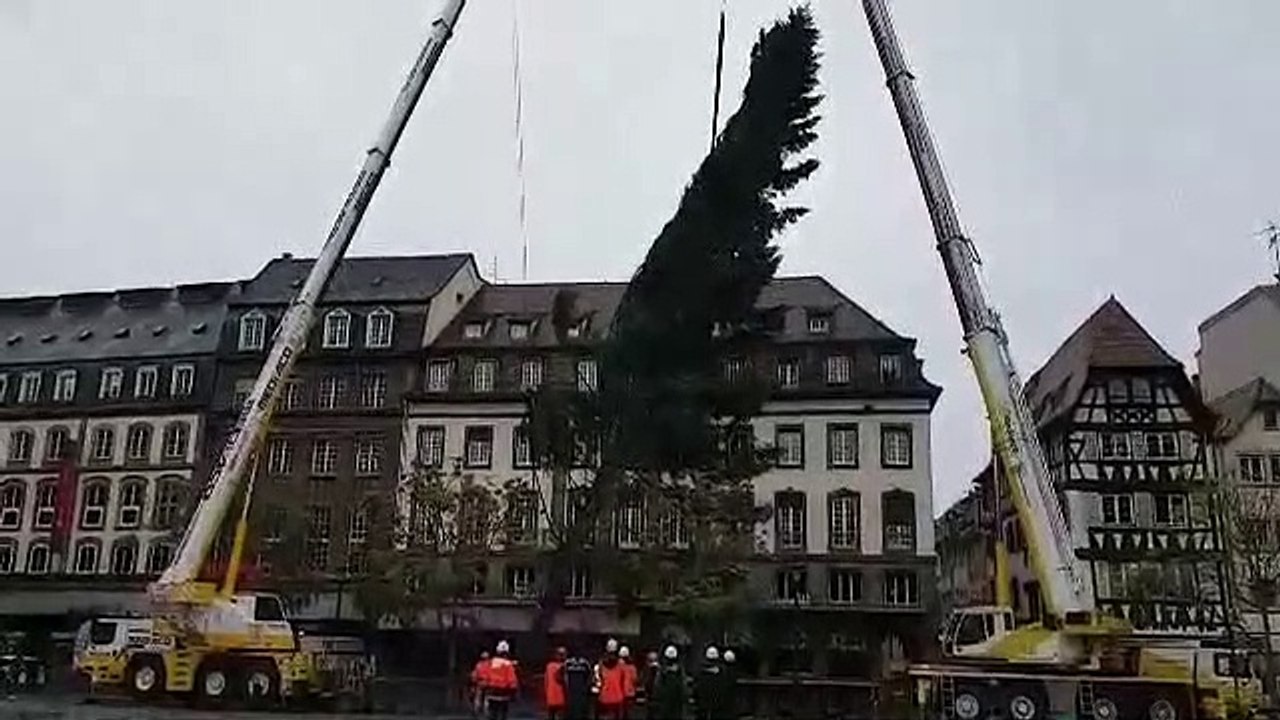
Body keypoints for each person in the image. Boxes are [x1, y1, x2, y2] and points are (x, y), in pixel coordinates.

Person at [486, 640, 519, 720]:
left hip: (491, 691)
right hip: (504, 692)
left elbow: (486, 675)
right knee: (503, 714)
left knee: (492, 713)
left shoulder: (491, 662)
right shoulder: (508, 664)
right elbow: (512, 680)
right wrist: (514, 692)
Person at [651, 646, 687, 720]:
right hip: (671, 703)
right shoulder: (677, 671)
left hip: (669, 703)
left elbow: (657, 687)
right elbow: (684, 687)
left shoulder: (663, 670)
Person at [595, 640, 626, 720]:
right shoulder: (621, 664)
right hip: (618, 698)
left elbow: (597, 682)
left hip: (604, 697)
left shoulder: (600, 664)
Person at [561, 648, 595, 720]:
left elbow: (590, 675)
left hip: (581, 692)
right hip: (571, 691)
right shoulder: (568, 663)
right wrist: (565, 686)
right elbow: (562, 674)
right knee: (571, 710)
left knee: (581, 710)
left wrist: (586, 687)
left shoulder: (585, 663)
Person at [692, 646, 724, 720]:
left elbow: (696, 685)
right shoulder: (721, 672)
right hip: (715, 703)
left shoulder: (700, 671)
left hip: (703, 703)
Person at [545, 646, 567, 720]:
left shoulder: (549, 666)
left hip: (551, 698)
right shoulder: (565, 667)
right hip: (562, 698)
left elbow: (546, 683)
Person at [638, 650, 659, 718]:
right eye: (651, 660)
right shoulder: (645, 672)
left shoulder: (660, 673)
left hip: (657, 702)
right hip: (649, 701)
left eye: (654, 660)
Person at [618, 646, 638, 720]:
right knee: (628, 715)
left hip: (620, 694)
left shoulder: (617, 667)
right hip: (630, 694)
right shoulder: (632, 667)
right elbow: (635, 679)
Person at [471, 650, 492, 716]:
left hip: (480, 683)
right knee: (487, 698)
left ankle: (476, 710)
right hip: (488, 683)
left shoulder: (478, 665)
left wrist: (473, 683)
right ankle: (486, 711)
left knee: (478, 697)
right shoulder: (490, 665)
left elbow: (474, 674)